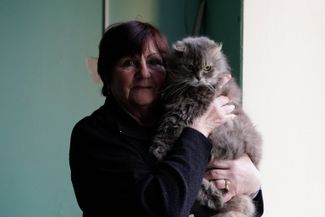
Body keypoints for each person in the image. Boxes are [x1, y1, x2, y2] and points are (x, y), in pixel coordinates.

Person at [69, 20, 263, 217]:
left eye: (154, 62)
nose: (144, 73)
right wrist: (200, 129)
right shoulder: (92, 135)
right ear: (107, 75)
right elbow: (164, 208)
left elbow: (240, 197)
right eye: (129, 63)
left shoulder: (175, 114)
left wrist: (252, 184)